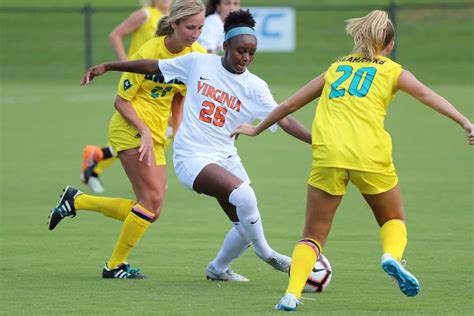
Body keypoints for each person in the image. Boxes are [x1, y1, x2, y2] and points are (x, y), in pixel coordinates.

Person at [230, 10, 474, 311]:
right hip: (369, 154)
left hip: (328, 154)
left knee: (312, 235)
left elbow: (290, 103)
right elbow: (426, 95)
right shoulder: (393, 71)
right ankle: (390, 257)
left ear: (359, 39)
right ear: (389, 43)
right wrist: (464, 121)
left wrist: (256, 129)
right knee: (392, 219)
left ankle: (292, 294)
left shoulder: (336, 68)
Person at [80, 10, 312, 281]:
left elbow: (283, 118)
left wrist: (317, 142)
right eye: (240, 51)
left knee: (245, 224)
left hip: (226, 157)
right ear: (225, 46)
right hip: (191, 158)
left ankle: (218, 269)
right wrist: (109, 66)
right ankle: (268, 254)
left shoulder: (255, 87)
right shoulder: (199, 63)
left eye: (251, 53)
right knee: (245, 197)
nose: (246, 58)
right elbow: (152, 66)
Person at [48, 0, 207, 279]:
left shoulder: (197, 54)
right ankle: (113, 265)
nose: (195, 34)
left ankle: (78, 201)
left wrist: (178, 131)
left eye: (200, 27)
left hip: (156, 135)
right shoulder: (149, 52)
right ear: (174, 25)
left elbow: (179, 96)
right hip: (129, 129)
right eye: (190, 27)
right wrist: (144, 130)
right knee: (149, 201)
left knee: (152, 210)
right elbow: (121, 102)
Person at [81, 0, 172, 193]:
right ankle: (101, 159)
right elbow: (115, 34)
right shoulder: (146, 14)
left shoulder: (173, 18)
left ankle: (97, 155)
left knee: (165, 128)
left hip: (161, 84)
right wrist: (127, 65)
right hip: (140, 82)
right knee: (150, 128)